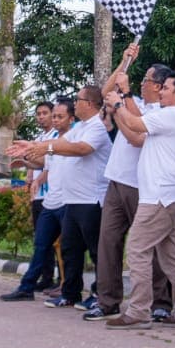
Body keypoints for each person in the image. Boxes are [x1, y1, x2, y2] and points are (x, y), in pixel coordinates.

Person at [104, 70, 175, 329]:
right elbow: (136, 131)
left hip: (159, 196)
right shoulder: (168, 116)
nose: (160, 91)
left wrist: (119, 100)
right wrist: (119, 108)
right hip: (170, 196)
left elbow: (135, 123)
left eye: (166, 88)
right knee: (172, 257)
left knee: (137, 249)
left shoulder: (172, 115)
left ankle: (138, 310)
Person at [90, 49, 175, 322]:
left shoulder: (161, 111)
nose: (142, 84)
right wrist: (125, 61)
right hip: (116, 181)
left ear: (160, 86)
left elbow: (140, 130)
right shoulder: (133, 101)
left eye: (147, 80)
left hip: (144, 186)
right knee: (108, 243)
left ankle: (160, 303)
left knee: (149, 247)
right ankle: (108, 301)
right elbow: (105, 93)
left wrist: (123, 104)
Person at [49, 87, 112, 309]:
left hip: (91, 200)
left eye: (78, 99)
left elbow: (82, 149)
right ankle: (70, 293)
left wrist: (45, 148)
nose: (75, 102)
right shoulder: (80, 127)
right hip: (73, 200)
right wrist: (36, 147)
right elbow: (64, 143)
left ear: (91, 103)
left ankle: (99, 295)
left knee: (97, 251)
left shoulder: (97, 127)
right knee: (70, 249)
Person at [2, 106, 71, 301]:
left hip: (68, 200)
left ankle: (69, 289)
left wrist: (39, 179)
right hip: (50, 201)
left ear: (70, 118)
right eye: (54, 116)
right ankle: (27, 287)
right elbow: (44, 164)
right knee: (41, 244)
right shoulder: (50, 142)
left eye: (59, 116)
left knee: (68, 247)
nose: (55, 119)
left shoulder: (72, 138)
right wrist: (25, 162)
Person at [25, 102, 61, 294]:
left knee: (55, 241)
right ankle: (45, 277)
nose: (41, 117)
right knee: (41, 239)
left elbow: (49, 164)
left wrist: (37, 175)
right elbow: (33, 160)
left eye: (46, 113)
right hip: (38, 195)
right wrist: (29, 171)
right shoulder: (39, 138)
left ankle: (60, 280)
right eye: (38, 113)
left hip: (51, 193)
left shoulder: (57, 137)